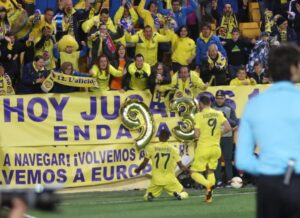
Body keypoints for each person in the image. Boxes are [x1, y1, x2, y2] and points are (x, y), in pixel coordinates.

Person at [236, 44, 300, 218]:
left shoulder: (254, 105)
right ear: (293, 68)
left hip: (268, 185)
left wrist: (267, 168)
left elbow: (242, 160)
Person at [191, 95, 231, 203]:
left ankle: (207, 184)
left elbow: (196, 134)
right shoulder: (219, 113)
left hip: (204, 147)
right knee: (210, 171)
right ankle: (209, 197)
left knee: (193, 172)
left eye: (199, 104)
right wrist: (219, 134)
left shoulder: (199, 115)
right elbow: (228, 128)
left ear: (201, 104)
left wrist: (193, 133)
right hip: (216, 148)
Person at [134, 129, 189, 201]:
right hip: (170, 179)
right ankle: (179, 195)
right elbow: (181, 166)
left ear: (159, 136)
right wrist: (189, 171)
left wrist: (138, 170)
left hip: (156, 180)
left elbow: (144, 164)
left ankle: (149, 195)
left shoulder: (151, 148)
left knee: (146, 196)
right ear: (168, 138)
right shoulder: (173, 149)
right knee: (184, 192)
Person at [213, 90, 238, 188]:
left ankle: (229, 180)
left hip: (227, 137)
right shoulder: (211, 108)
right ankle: (218, 180)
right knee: (216, 159)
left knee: (228, 159)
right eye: (217, 98)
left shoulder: (229, 108)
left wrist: (225, 117)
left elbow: (234, 123)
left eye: (221, 98)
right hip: (215, 137)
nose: (219, 100)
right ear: (215, 98)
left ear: (224, 98)